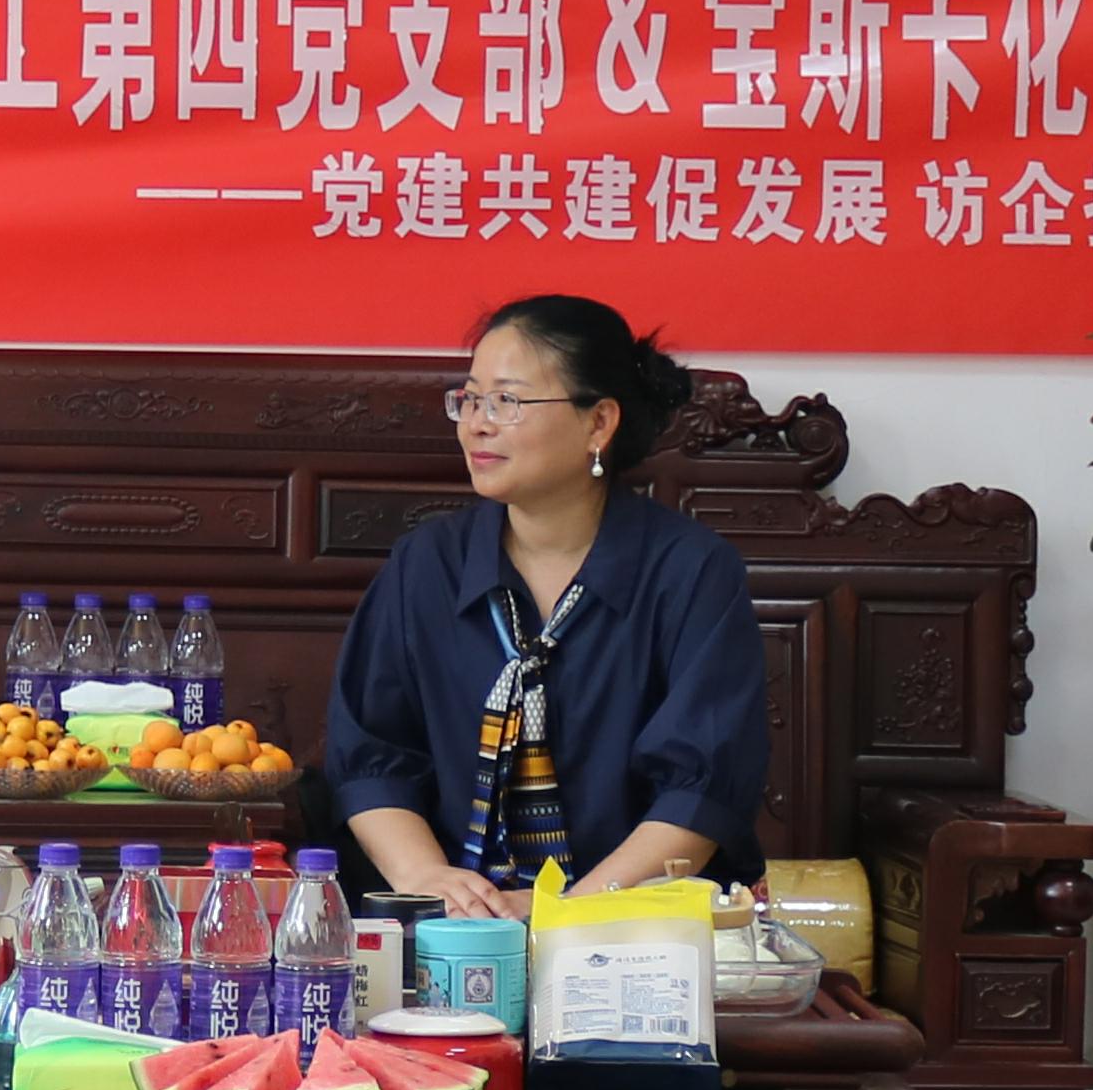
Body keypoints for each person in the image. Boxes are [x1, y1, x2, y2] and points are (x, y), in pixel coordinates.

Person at [321, 295, 769, 916]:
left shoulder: (690, 571)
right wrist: (428, 879)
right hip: (455, 926)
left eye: (507, 401)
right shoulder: (427, 565)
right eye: (470, 399)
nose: (477, 424)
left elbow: (700, 790)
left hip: (635, 926)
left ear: (598, 422)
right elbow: (373, 758)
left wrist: (570, 914)